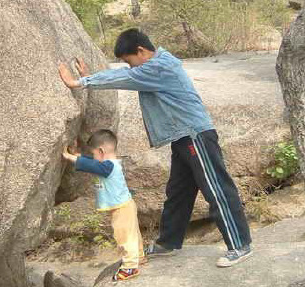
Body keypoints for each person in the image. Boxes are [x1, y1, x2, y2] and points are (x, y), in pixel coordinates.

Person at [58, 28, 253, 268]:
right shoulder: (152, 67)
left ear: (141, 51)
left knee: (217, 189)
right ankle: (168, 243)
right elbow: (125, 76)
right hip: (182, 137)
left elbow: (127, 79)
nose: (131, 68)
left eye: (130, 62)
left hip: (195, 136)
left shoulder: (160, 67)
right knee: (178, 192)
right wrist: (92, 78)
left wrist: (80, 82)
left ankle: (240, 244)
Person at [62, 129, 145, 282]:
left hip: (122, 208)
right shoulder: (108, 164)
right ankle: (138, 256)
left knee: (124, 237)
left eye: (94, 154)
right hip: (124, 206)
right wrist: (78, 155)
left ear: (101, 151)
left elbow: (93, 165)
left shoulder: (109, 166)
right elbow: (93, 163)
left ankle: (130, 267)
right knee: (133, 234)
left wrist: (69, 158)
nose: (93, 157)